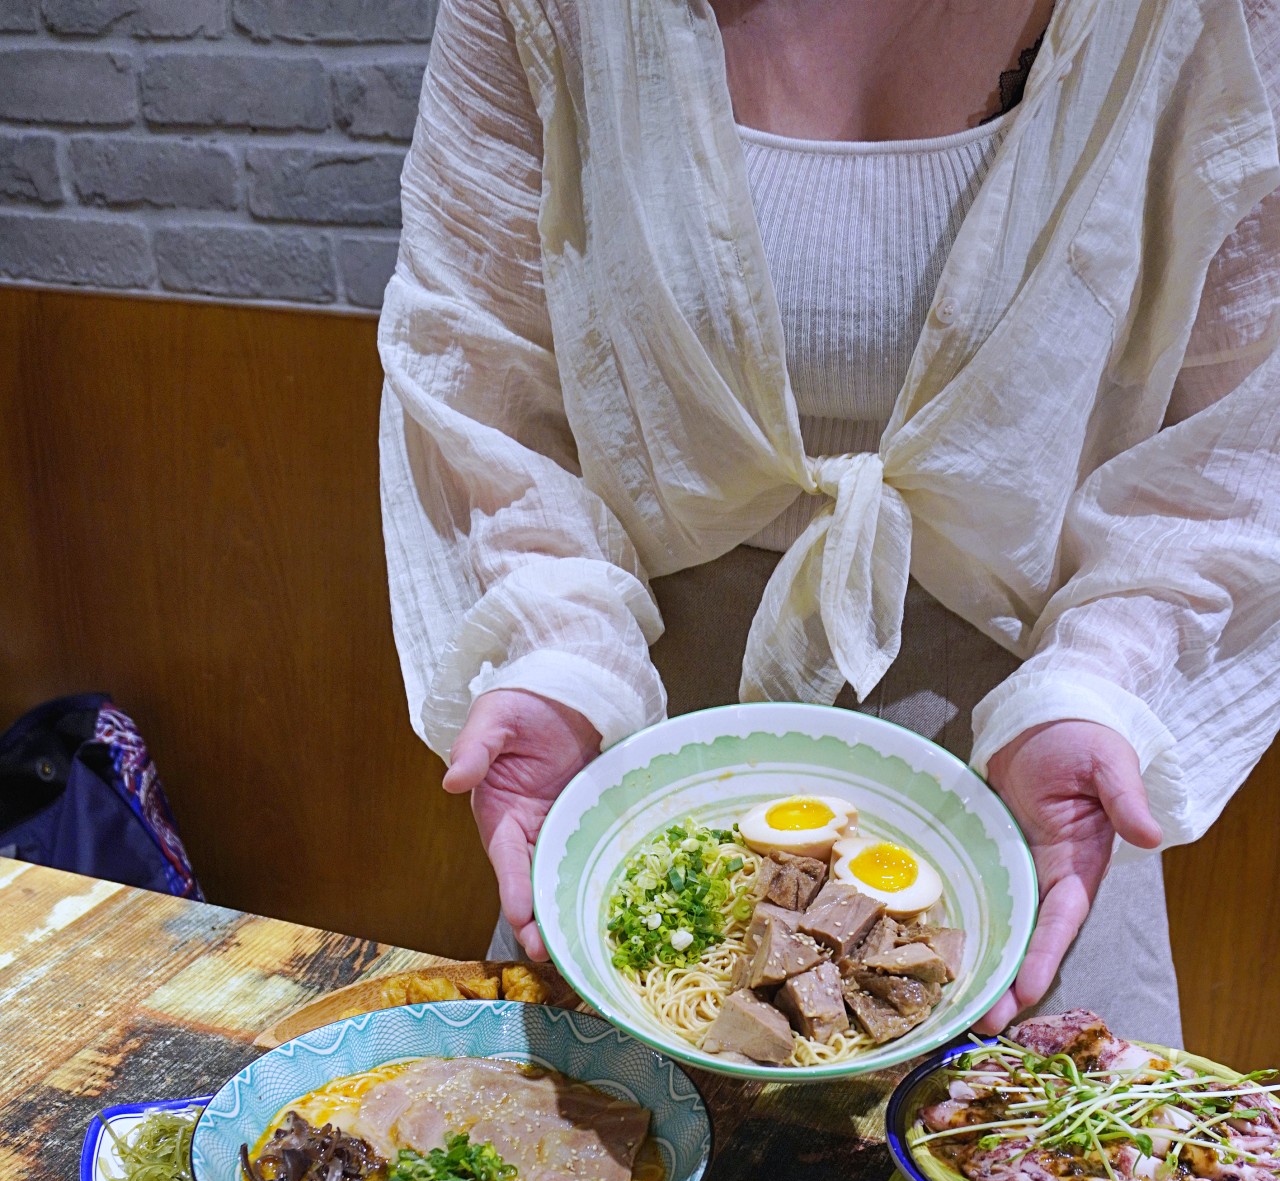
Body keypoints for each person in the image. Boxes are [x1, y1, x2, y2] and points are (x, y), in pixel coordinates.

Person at [378, 0, 1280, 1042]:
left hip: (1028, 781)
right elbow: (474, 365)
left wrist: (1100, 682)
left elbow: (1241, 434)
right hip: (643, 770)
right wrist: (556, 656)